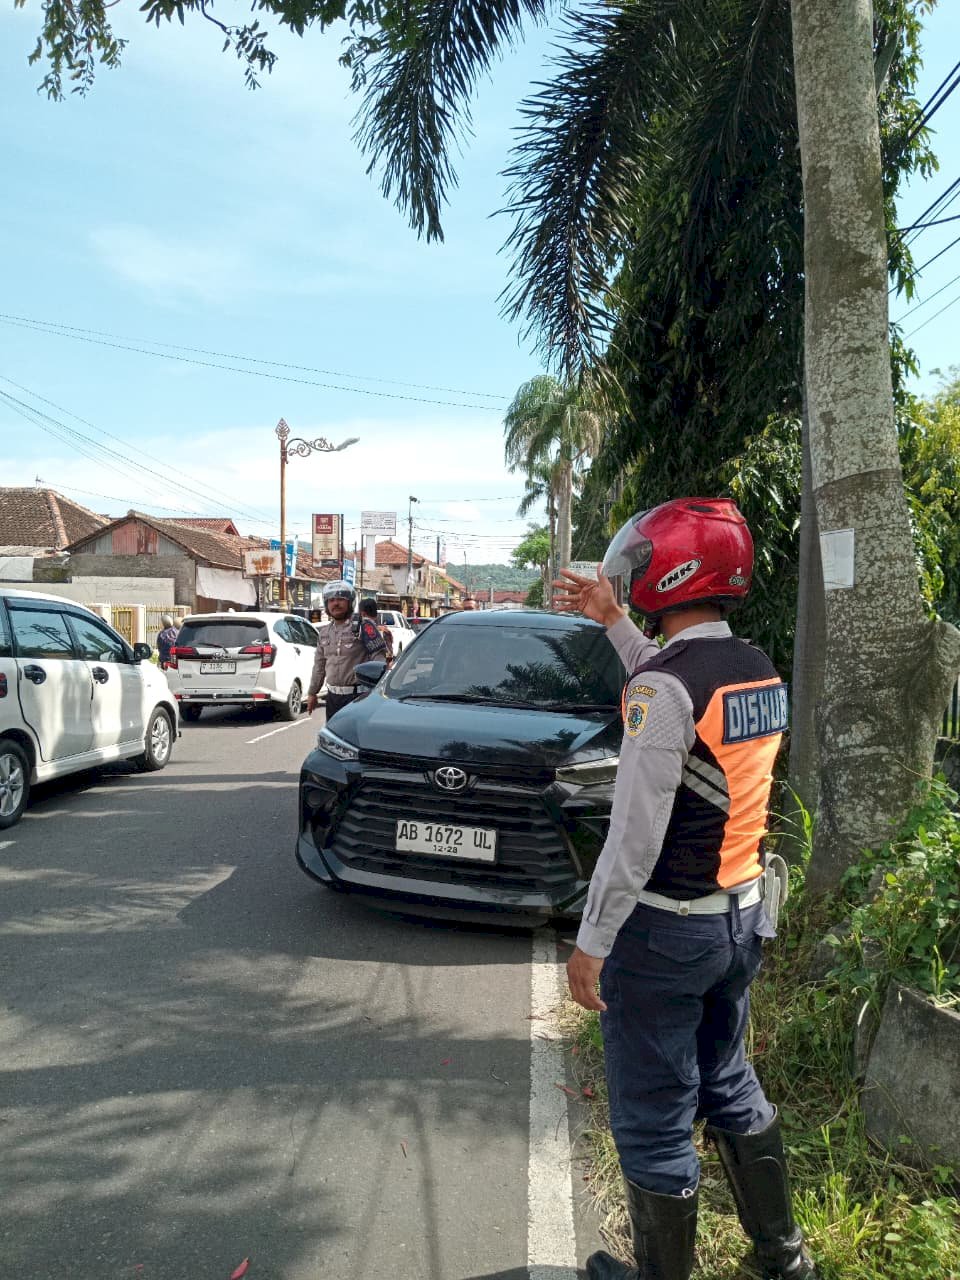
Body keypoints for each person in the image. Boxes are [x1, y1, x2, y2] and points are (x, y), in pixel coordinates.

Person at [553, 498, 818, 1280]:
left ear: (671, 573)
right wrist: (611, 621)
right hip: (739, 922)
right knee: (730, 1079)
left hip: (665, 934)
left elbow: (632, 842)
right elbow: (677, 696)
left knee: (655, 1115)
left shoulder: (663, 691)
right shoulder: (755, 667)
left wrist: (590, 946)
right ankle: (785, 1259)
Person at [305, 580, 387, 720]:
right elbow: (319, 666)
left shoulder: (364, 626)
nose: (335, 603)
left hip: (360, 698)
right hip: (333, 698)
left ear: (350, 602)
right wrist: (312, 693)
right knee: (332, 739)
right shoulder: (324, 632)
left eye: (341, 599)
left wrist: (378, 693)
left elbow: (379, 661)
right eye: (331, 600)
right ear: (326, 604)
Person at [358, 596, 394, 665]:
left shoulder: (359, 629)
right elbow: (389, 653)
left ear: (362, 614)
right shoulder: (385, 631)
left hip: (365, 669)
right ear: (376, 614)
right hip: (382, 668)